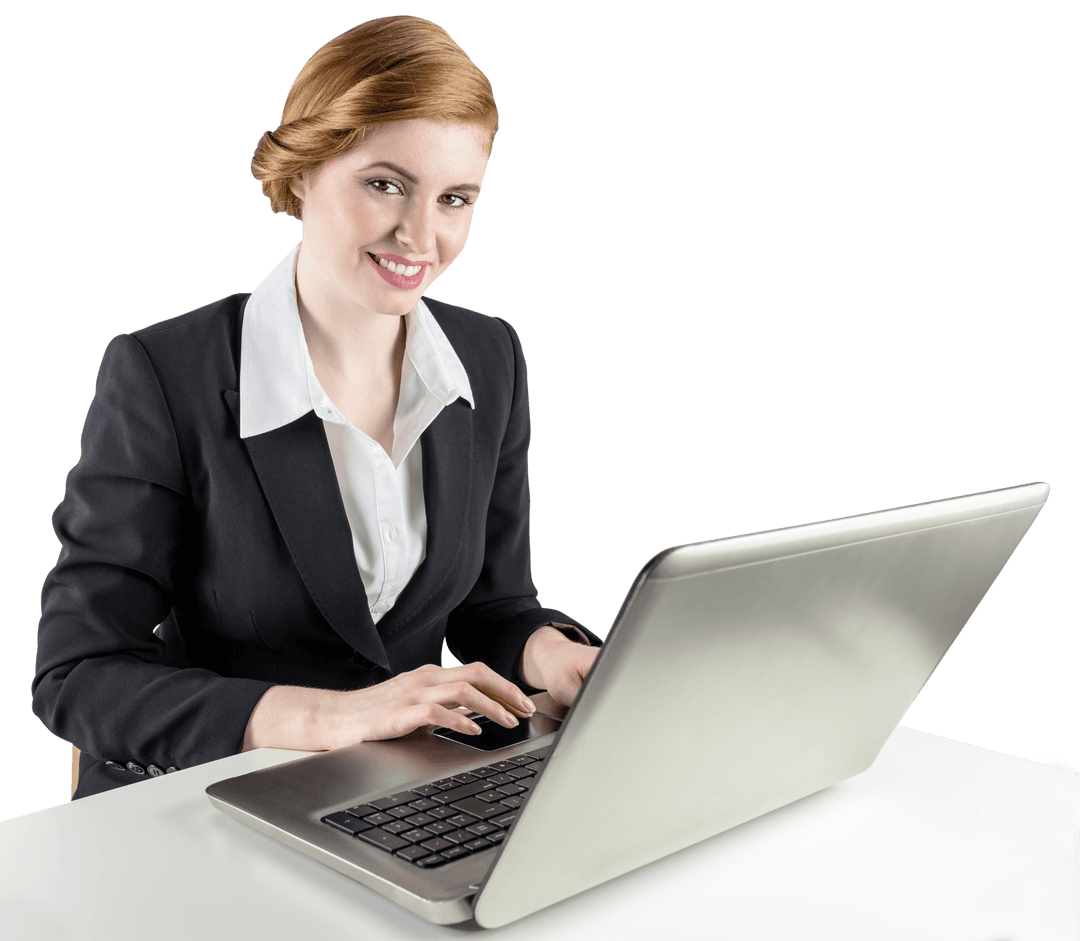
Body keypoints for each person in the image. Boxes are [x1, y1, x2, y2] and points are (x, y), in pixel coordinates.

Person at [32, 15, 601, 799]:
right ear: (303, 172)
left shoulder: (488, 356)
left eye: (456, 198)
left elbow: (489, 601)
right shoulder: (166, 374)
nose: (421, 235)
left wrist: (550, 655)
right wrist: (331, 717)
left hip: (392, 794)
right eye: (385, 184)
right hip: (200, 798)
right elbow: (78, 673)